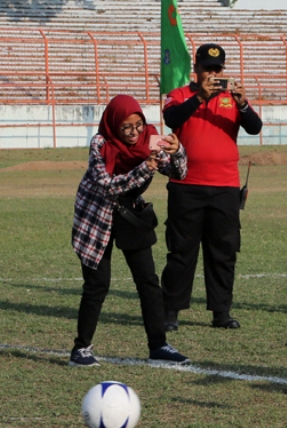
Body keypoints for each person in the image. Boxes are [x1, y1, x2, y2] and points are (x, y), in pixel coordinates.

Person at [70, 94, 190, 367]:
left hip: (130, 214)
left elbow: (179, 173)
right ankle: (81, 349)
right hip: (96, 216)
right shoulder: (100, 143)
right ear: (114, 125)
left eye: (138, 125)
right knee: (97, 284)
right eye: (126, 127)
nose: (134, 133)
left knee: (148, 281)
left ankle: (159, 346)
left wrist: (177, 150)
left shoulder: (151, 138)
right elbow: (107, 186)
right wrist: (145, 167)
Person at [160, 43, 263, 331]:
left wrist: (243, 104)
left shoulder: (233, 98)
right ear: (196, 70)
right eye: (207, 68)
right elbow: (171, 119)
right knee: (181, 251)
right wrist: (200, 98)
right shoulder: (179, 95)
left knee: (223, 251)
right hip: (186, 185)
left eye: (218, 69)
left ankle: (221, 312)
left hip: (226, 187)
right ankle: (171, 312)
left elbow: (255, 127)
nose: (213, 74)